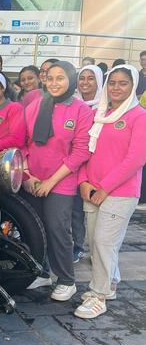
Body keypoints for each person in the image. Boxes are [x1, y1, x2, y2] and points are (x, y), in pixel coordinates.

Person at [75, 65, 146, 318]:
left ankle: (99, 295)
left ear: (133, 86)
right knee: (96, 243)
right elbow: (85, 151)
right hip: (92, 190)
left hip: (120, 192)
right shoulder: (100, 113)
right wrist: (83, 181)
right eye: (112, 82)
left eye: (123, 83)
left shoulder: (140, 116)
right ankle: (110, 282)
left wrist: (105, 188)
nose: (116, 87)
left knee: (105, 242)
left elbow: (135, 159)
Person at [23, 61, 94, 300]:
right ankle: (40, 272)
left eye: (60, 78)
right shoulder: (34, 105)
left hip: (61, 181)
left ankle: (66, 279)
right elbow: (23, 142)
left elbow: (81, 152)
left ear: (70, 80)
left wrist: (51, 182)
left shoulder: (80, 110)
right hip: (33, 178)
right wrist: (27, 175)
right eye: (50, 78)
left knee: (57, 229)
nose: (54, 83)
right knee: (34, 228)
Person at [70, 64, 104, 263]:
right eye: (82, 78)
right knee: (75, 209)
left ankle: (98, 250)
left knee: (96, 212)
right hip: (75, 164)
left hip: (97, 167)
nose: (85, 82)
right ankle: (77, 245)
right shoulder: (72, 103)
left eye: (91, 78)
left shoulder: (106, 107)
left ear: (99, 81)